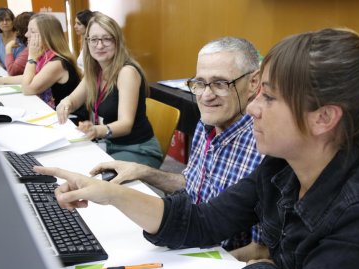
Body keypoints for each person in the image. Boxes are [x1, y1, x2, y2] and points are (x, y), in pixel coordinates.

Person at [36, 28, 359, 269]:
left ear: (323, 117)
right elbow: (204, 221)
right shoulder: (281, 167)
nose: (253, 108)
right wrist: (109, 194)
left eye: (269, 96)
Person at [88, 36, 264, 251]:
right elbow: (191, 184)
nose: (206, 96)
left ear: (253, 82)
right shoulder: (207, 122)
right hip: (190, 236)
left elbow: (261, 249)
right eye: (200, 83)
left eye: (220, 83)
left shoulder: (266, 143)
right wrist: (142, 171)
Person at [56, 13, 163, 168]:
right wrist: (65, 103)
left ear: (117, 42)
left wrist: (96, 130)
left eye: (106, 39)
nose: (99, 46)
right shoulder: (94, 72)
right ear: (87, 42)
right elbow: (73, 100)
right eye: (94, 39)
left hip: (138, 149)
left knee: (89, 176)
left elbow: (125, 124)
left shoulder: (127, 72)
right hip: (110, 144)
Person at [0, 13, 88, 121]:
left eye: (32, 31)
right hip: (55, 115)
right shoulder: (46, 55)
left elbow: (28, 88)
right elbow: (29, 78)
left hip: (69, 121)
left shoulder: (57, 63)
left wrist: (31, 57)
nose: (26, 35)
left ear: (46, 35)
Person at [4, 12, 34, 76]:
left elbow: (12, 71)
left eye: (18, 30)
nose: (16, 33)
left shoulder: (31, 47)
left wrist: (8, 48)